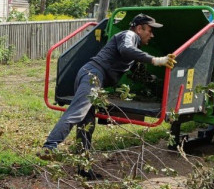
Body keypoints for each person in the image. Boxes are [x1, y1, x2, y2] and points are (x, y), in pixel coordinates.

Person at [41, 13, 176, 158]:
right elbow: (126, 49)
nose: (152, 35)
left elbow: (136, 71)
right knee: (78, 111)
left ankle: (83, 167)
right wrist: (156, 60)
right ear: (138, 29)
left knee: (87, 123)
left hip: (91, 74)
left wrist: (155, 81)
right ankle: (49, 146)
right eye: (150, 30)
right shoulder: (128, 35)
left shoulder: (134, 46)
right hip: (93, 75)